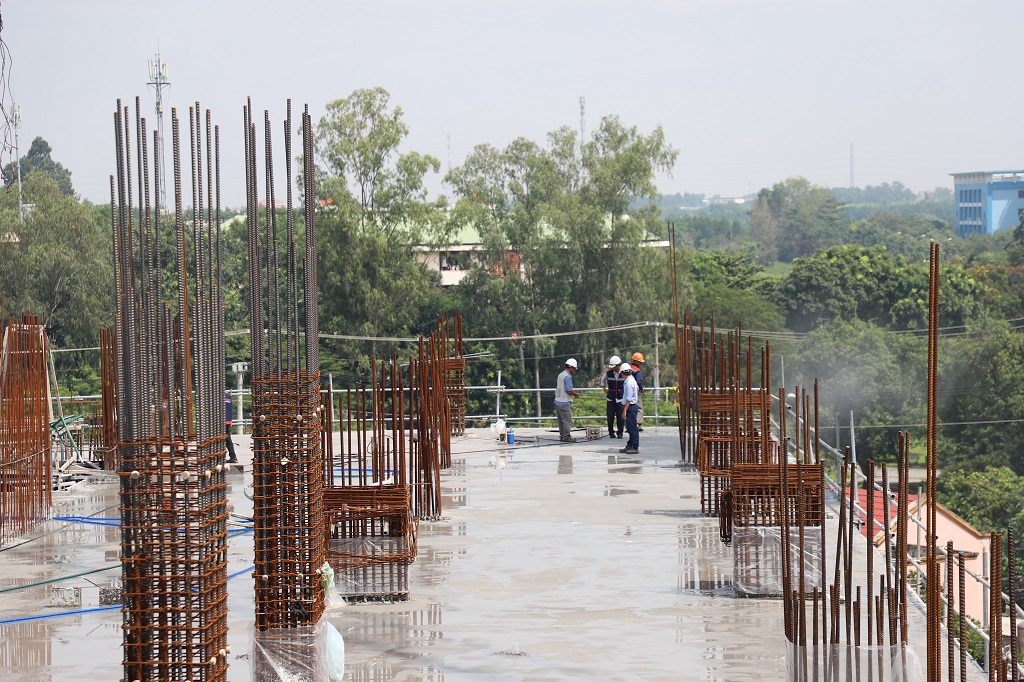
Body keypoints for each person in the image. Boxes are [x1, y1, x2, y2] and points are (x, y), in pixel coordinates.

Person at [554, 358, 582, 442]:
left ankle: (562, 436)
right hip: (565, 401)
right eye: (574, 369)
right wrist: (575, 394)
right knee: (567, 420)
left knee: (561, 421)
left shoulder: (561, 374)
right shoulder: (568, 376)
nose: (574, 371)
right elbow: (568, 390)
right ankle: (566, 436)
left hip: (558, 400)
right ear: (571, 367)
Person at [599, 355, 624, 438]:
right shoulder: (608, 373)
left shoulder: (624, 373)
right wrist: (604, 388)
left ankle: (620, 432)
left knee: (620, 417)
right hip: (611, 397)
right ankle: (611, 432)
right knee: (610, 416)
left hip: (620, 398)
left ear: (618, 365)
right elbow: (602, 379)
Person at [619, 362, 639, 454]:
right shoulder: (632, 380)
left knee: (632, 428)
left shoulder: (628, 383)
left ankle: (635, 446)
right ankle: (630, 445)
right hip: (632, 406)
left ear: (622, 373)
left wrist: (624, 411)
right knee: (630, 428)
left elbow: (628, 399)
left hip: (630, 407)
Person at [630, 352, 646, 432]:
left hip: (627, 392)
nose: (640, 363)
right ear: (636, 361)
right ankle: (637, 424)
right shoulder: (637, 371)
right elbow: (639, 382)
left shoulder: (627, 368)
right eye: (640, 362)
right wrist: (640, 389)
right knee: (639, 408)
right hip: (636, 392)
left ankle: (629, 425)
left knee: (628, 407)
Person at [224, 391, 239, 463]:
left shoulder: (218, 396)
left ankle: (219, 457)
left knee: (218, 439)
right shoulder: (228, 396)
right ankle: (233, 457)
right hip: (228, 421)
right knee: (228, 439)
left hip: (221, 421)